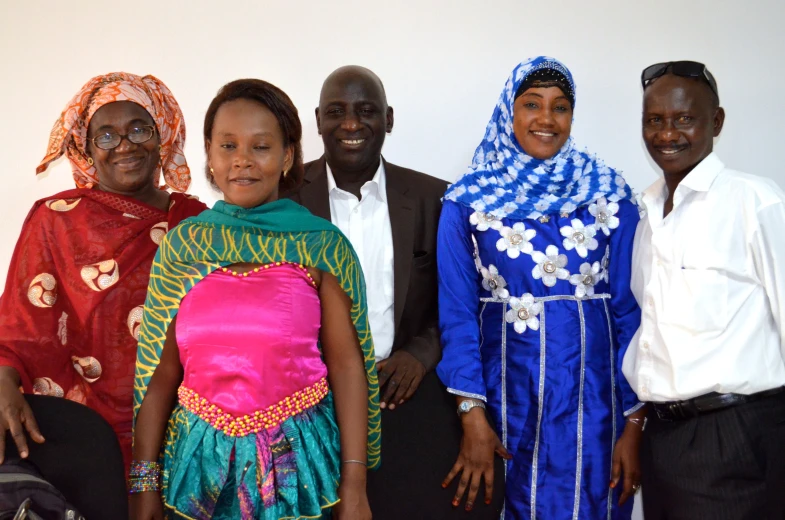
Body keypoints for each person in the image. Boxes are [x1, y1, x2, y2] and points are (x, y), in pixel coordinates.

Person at [131, 78, 377, 520]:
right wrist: (144, 482)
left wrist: (354, 483)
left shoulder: (320, 244)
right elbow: (161, 372)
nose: (241, 161)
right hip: (197, 468)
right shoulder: (183, 246)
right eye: (227, 146)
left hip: (296, 468)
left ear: (286, 157)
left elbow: (345, 365)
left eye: (260, 147)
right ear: (209, 154)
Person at [290, 65, 504, 518]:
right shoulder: (284, 200)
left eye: (366, 110)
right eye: (337, 112)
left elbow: (466, 304)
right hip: (311, 403)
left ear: (388, 118)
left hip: (404, 389)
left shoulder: (436, 198)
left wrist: (421, 353)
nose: (351, 124)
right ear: (317, 120)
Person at [437, 56, 645, 519]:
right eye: (532, 104)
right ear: (509, 112)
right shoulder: (467, 201)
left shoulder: (610, 194)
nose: (547, 119)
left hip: (597, 411)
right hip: (505, 407)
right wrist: (472, 414)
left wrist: (635, 422)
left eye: (561, 107)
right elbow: (456, 316)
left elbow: (630, 313)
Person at [0, 72, 206, 470]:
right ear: (87, 148)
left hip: (185, 430)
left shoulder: (196, 222)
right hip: (82, 434)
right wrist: (3, 382)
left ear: (161, 133)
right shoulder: (55, 220)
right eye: (107, 136)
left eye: (138, 129)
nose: (125, 145)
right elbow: (20, 323)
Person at [624, 61, 785, 519]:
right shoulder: (648, 212)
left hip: (735, 434)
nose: (667, 133)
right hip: (664, 438)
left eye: (684, 119)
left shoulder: (755, 202)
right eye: (654, 120)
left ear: (716, 122)